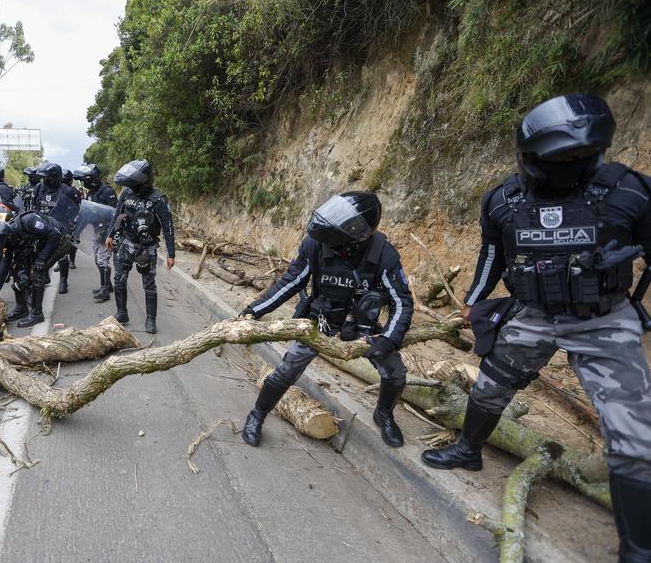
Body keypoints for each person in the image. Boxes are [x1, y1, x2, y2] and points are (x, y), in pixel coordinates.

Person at [419, 94, 651, 562]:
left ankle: (638, 549)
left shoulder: (628, 192)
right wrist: (474, 300)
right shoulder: (504, 201)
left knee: (635, 438)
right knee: (488, 386)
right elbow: (492, 257)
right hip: (533, 315)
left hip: (603, 320)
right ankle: (468, 449)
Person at [238, 192, 413, 447]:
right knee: (288, 368)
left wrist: (389, 339)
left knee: (395, 372)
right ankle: (257, 414)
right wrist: (253, 311)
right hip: (319, 319)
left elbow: (402, 301)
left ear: (356, 230)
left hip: (359, 323)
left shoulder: (383, 254)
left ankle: (384, 413)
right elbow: (292, 281)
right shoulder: (316, 244)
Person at [0, 204, 69, 327]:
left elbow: (55, 235)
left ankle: (37, 314)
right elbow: (5, 267)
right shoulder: (8, 238)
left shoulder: (29, 220)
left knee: (36, 271)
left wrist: (41, 259)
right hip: (42, 242)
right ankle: (21, 308)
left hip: (60, 240)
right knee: (16, 268)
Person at [104, 159, 176, 334]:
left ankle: (151, 320)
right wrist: (110, 234)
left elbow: (168, 226)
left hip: (148, 247)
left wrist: (171, 253)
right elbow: (118, 213)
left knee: (149, 284)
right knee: (119, 279)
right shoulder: (127, 193)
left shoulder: (158, 199)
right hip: (127, 242)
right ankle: (122, 313)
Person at [34, 161, 81, 294]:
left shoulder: (67, 190)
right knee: (42, 254)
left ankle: (64, 281)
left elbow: (78, 209)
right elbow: (35, 204)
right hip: (42, 227)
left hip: (61, 228)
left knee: (62, 257)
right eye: (43, 177)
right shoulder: (39, 187)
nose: (45, 180)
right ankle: (44, 276)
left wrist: (72, 225)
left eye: (48, 177)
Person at [74, 163, 118, 302]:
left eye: (85, 180)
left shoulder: (107, 191)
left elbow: (114, 214)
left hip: (106, 233)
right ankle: (107, 285)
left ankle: (105, 290)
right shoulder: (91, 194)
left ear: (93, 178)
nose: (84, 183)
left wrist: (110, 233)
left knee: (103, 260)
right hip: (96, 232)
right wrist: (77, 231)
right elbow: (87, 214)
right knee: (97, 260)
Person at [62, 169, 79, 269]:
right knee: (64, 242)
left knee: (71, 242)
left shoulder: (73, 191)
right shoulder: (58, 190)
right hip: (62, 219)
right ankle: (62, 262)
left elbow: (78, 205)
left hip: (71, 219)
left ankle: (71, 261)